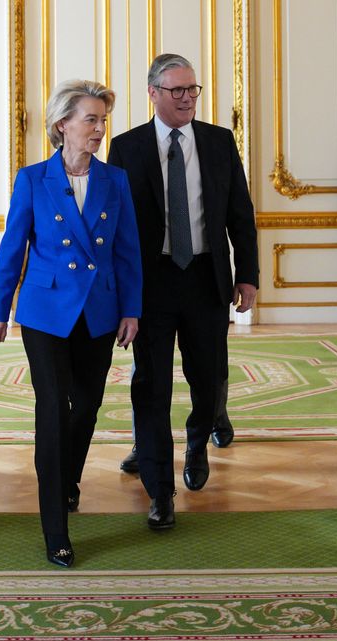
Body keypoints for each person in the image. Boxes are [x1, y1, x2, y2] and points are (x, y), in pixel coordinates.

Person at [0, 80, 143, 567]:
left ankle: (67, 479)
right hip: (46, 312)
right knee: (53, 410)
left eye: (102, 119)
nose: (100, 129)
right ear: (62, 126)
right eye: (91, 120)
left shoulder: (114, 180)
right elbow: (14, 246)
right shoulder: (32, 179)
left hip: (99, 311)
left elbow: (126, 250)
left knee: (87, 407)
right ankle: (55, 526)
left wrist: (130, 308)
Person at [108, 54, 258, 529]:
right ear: (152, 93)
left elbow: (240, 213)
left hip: (206, 278)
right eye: (177, 91)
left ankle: (197, 442)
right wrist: (119, 294)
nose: (188, 98)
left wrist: (248, 275)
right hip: (150, 283)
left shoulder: (219, 142)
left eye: (192, 89)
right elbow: (116, 228)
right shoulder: (126, 148)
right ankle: (160, 490)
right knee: (150, 385)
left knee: (208, 377)